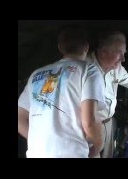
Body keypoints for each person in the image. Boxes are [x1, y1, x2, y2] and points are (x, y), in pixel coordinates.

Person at [18, 26, 106, 158]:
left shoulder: (36, 74)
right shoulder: (89, 70)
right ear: (86, 47)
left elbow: (19, 118)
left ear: (60, 48)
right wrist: (98, 146)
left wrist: (39, 141)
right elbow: (89, 122)